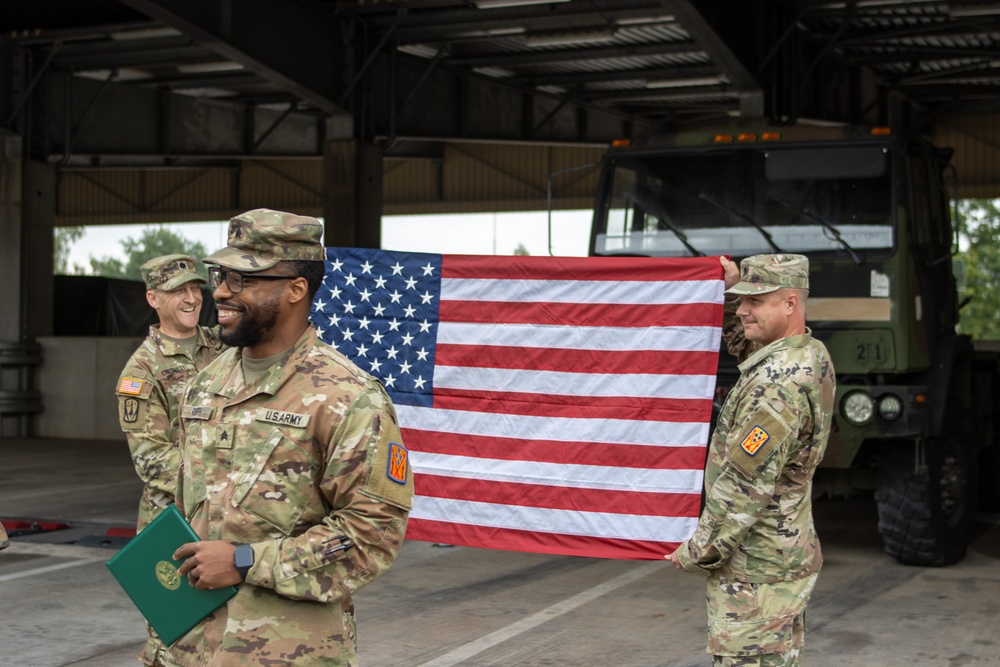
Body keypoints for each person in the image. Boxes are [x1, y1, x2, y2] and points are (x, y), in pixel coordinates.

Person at [168, 209, 413, 667]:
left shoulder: (348, 397)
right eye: (221, 274)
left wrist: (243, 561)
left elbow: (371, 534)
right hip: (189, 646)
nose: (219, 291)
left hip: (284, 652)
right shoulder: (206, 383)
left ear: (295, 289)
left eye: (243, 279)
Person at [666, 254, 836, 667]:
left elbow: (743, 487)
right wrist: (732, 291)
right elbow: (748, 342)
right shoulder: (808, 353)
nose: (743, 309)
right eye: (741, 300)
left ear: (791, 303)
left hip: (755, 572)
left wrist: (697, 550)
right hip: (779, 559)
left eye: (756, 301)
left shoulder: (778, 385)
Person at [116, 254, 225, 666]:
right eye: (178, 290)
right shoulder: (142, 371)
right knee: (175, 633)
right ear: (153, 298)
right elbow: (151, 460)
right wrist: (216, 482)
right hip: (172, 520)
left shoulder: (221, 346)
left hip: (221, 513)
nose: (190, 297)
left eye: (195, 288)